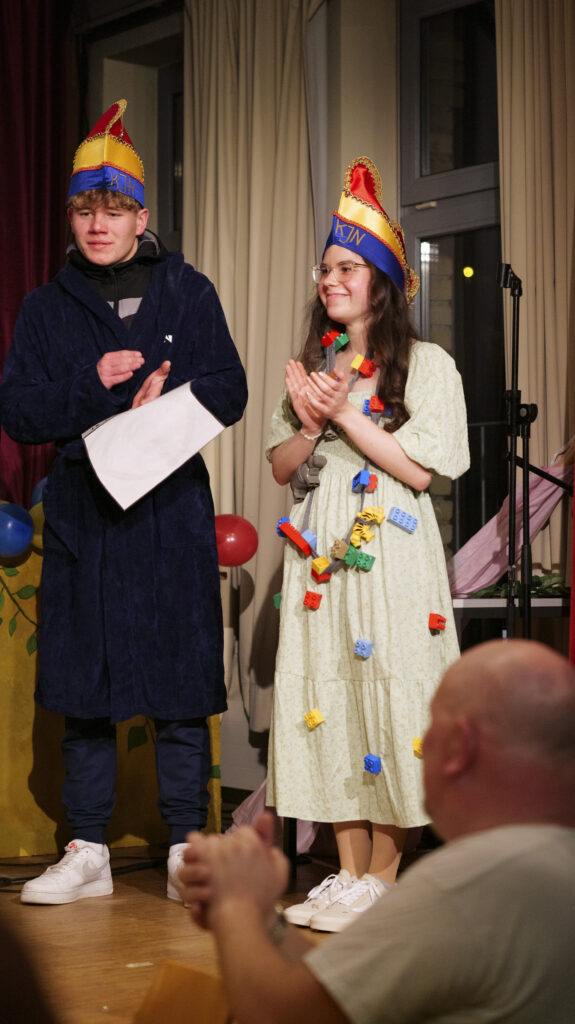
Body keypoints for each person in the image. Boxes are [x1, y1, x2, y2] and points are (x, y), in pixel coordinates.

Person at [0, 99, 247, 905]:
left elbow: (230, 388)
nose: (98, 225)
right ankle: (86, 850)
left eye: (113, 211)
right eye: (84, 212)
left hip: (169, 515)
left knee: (181, 687)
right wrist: (92, 384)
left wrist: (165, 400)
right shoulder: (45, 308)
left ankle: (186, 846)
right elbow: (18, 411)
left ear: (142, 217)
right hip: (86, 520)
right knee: (83, 689)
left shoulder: (188, 291)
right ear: (71, 220)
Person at [264, 156, 469, 930]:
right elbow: (283, 466)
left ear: (380, 280)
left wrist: (344, 414)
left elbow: (418, 470)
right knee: (331, 699)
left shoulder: (428, 364)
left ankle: (383, 875)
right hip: (321, 556)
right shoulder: (317, 367)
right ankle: (346, 871)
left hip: (390, 552)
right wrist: (310, 422)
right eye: (325, 269)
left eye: (345, 268)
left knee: (389, 695)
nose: (329, 279)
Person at [179, 638, 575, 1023]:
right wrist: (266, 917)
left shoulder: (470, 882)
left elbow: (282, 1013)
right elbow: (343, 991)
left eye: (430, 722)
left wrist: (235, 904)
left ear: (460, 747)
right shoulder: (546, 861)